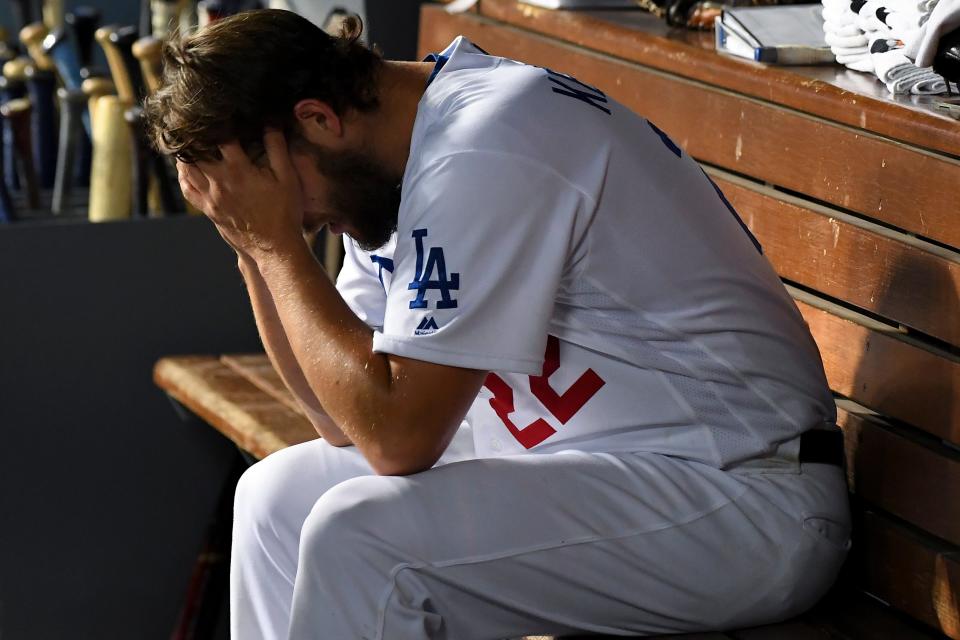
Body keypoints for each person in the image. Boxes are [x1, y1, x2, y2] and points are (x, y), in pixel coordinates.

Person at [145, 9, 851, 640]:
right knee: (275, 500)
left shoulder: (484, 142)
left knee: (359, 539)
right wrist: (253, 247)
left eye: (288, 199)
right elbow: (342, 419)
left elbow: (397, 439)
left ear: (318, 120)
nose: (303, 223)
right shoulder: (388, 164)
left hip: (743, 495)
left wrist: (276, 245)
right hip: (607, 471)